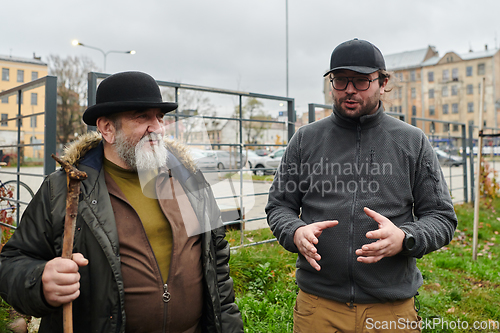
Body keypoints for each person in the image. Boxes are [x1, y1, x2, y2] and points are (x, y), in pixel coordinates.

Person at [0, 71, 243, 333]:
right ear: (107, 128)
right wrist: (40, 282)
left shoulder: (189, 179)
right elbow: (13, 262)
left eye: (160, 118)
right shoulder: (65, 190)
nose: (158, 128)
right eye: (142, 117)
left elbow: (217, 266)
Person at [266, 39, 457, 332]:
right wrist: (295, 231)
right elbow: (279, 206)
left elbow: (442, 218)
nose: (350, 89)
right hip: (318, 306)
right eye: (340, 80)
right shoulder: (305, 140)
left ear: (383, 82)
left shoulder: (411, 141)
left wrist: (405, 237)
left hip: (391, 309)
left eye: (361, 81)